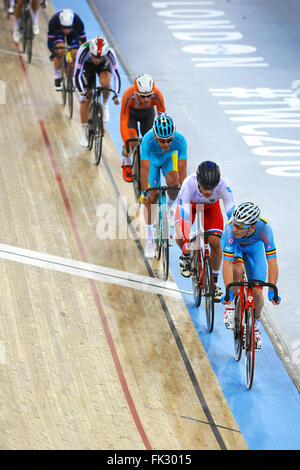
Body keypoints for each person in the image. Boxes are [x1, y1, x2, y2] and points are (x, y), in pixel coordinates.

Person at [221, 201, 281, 349]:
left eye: (240, 226)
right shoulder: (230, 230)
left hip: (255, 250)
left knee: (257, 292)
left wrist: (272, 289)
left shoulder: (265, 229)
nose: (235, 228)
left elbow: (272, 262)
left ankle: (255, 325)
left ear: (253, 227)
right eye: (235, 224)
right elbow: (227, 264)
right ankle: (230, 306)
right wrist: (228, 291)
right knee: (236, 270)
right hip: (236, 248)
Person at [174, 161, 234, 302]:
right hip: (190, 207)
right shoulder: (189, 183)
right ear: (198, 182)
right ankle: (186, 258)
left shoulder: (223, 186)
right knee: (181, 235)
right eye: (204, 187)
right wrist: (186, 241)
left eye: (211, 188)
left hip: (211, 209)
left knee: (215, 242)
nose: (207, 191)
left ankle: (214, 281)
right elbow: (183, 212)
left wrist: (235, 232)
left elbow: (231, 211)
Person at [140, 114, 187, 259]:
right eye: (162, 140)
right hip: (152, 162)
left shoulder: (180, 140)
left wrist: (183, 195)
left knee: (174, 182)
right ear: (155, 135)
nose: (166, 144)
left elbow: (183, 170)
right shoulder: (147, 140)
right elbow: (145, 169)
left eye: (169, 140)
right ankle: (149, 239)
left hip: (168, 160)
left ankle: (171, 205)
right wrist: (144, 192)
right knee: (152, 196)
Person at [74, 36, 121, 147]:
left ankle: (104, 103)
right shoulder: (83, 49)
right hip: (87, 66)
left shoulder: (110, 53)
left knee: (105, 84)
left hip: (103, 67)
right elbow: (77, 74)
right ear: (91, 51)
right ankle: (84, 132)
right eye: (94, 56)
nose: (96, 59)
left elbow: (116, 76)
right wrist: (82, 93)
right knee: (86, 98)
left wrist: (116, 95)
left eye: (99, 57)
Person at [120, 74, 166, 182]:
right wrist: (127, 142)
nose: (146, 99)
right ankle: (127, 162)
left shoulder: (158, 95)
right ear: (136, 92)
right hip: (132, 115)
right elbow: (123, 120)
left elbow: (163, 118)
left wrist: (161, 137)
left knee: (150, 141)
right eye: (143, 96)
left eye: (149, 96)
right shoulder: (128, 94)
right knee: (131, 141)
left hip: (148, 115)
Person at [47, 9, 86, 91]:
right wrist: (54, 53)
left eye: (68, 28)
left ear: (72, 24)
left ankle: (74, 73)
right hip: (58, 32)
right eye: (64, 28)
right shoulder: (53, 22)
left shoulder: (78, 22)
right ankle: (57, 77)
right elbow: (50, 41)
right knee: (59, 50)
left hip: (74, 33)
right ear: (61, 24)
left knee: (76, 53)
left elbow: (83, 41)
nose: (66, 30)